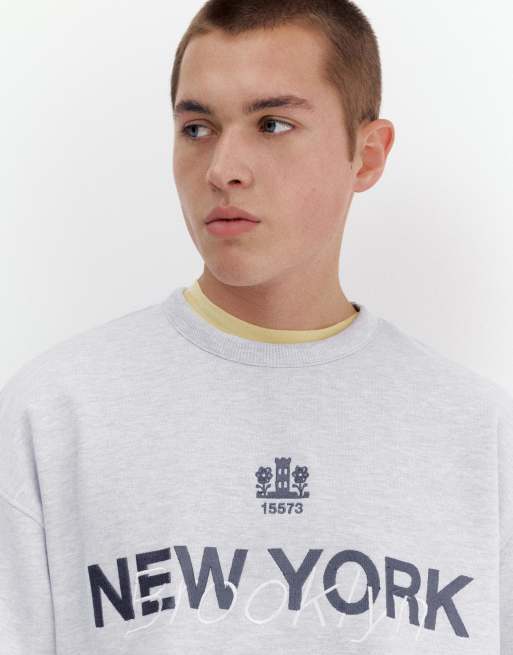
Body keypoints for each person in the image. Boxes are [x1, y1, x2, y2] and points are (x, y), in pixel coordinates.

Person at [1, 0, 512, 652]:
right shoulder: (54, 415)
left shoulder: (482, 437)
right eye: (197, 128)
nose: (222, 169)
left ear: (367, 155)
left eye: (272, 124)